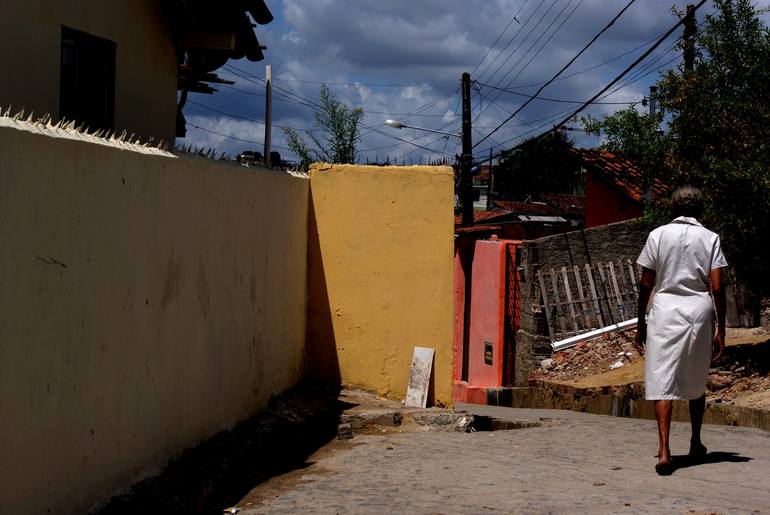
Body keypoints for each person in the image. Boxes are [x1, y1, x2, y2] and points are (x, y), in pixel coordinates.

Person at [634, 185, 727, 476]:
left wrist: (640, 323)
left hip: (664, 311)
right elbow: (717, 287)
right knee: (696, 375)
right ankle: (696, 442)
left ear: (672, 207)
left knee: (663, 379)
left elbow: (646, 282)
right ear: (700, 209)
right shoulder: (711, 238)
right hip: (699, 312)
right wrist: (720, 328)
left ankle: (664, 451)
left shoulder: (657, 235)